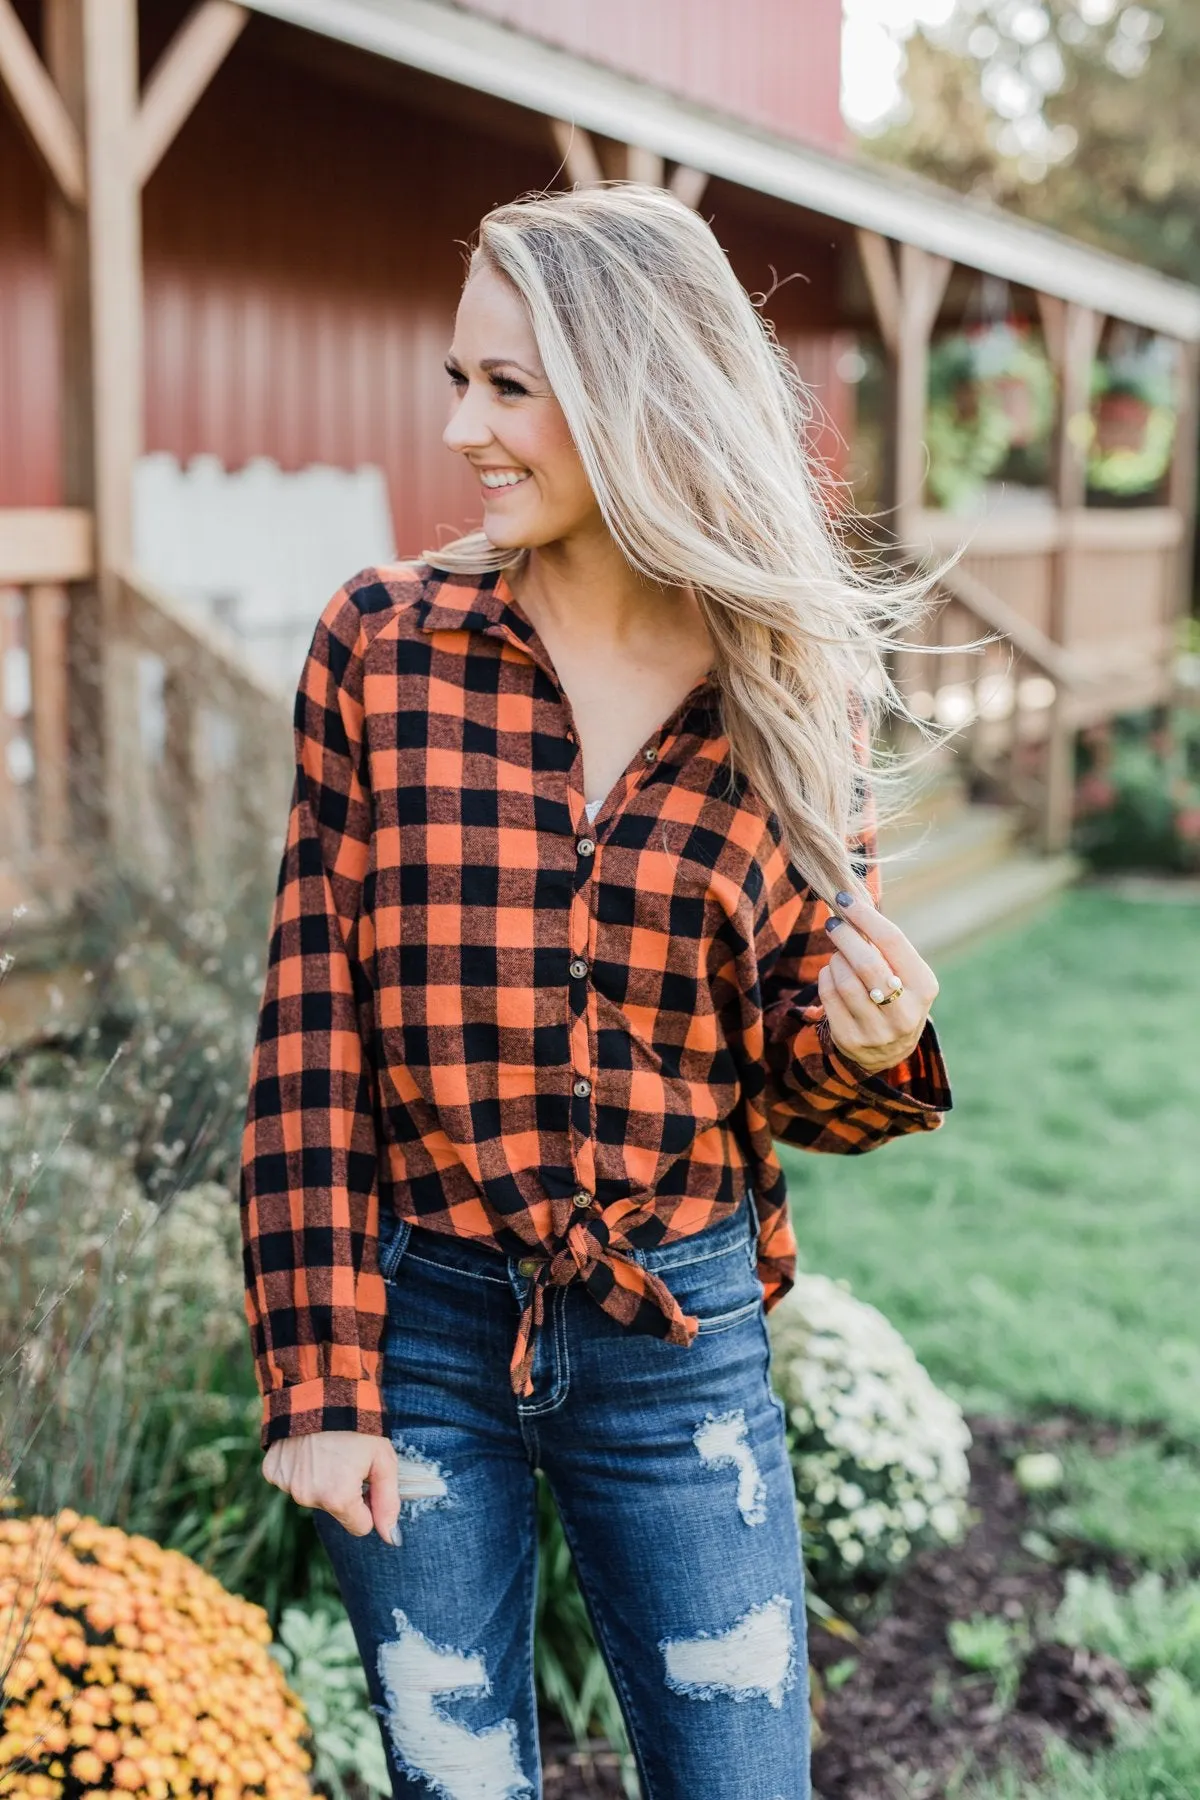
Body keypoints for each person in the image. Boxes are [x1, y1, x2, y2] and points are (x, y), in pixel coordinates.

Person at [239, 181, 952, 1800]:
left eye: (510, 387)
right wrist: (322, 1380)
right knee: (457, 1779)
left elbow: (787, 1076)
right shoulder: (382, 647)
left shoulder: (790, 680)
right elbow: (311, 1031)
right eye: (458, 381)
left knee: (740, 1778)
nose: (466, 430)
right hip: (420, 1323)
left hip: (677, 1335)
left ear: (637, 393)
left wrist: (874, 1043)